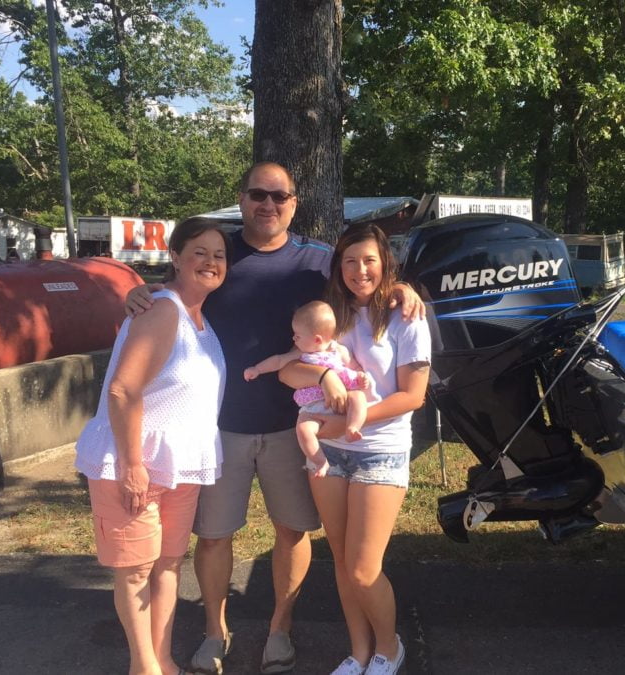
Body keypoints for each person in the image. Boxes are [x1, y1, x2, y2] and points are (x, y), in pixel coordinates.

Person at [125, 161, 423, 675]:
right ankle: (215, 631)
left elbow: (364, 280)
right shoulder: (217, 255)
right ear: (241, 198)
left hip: (296, 426)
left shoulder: (318, 262)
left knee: (292, 532)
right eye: (257, 195)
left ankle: (280, 628)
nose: (268, 204)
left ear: (294, 202)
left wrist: (404, 290)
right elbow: (174, 285)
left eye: (278, 196)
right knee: (214, 536)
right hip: (220, 426)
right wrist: (138, 290)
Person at [75, 217, 230, 675]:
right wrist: (132, 464)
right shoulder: (163, 309)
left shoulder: (199, 318)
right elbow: (123, 390)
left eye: (219, 255)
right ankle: (143, 666)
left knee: (167, 565)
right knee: (136, 570)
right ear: (176, 258)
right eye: (199, 252)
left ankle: (163, 659)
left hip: (179, 464)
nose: (210, 261)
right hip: (135, 462)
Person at [280, 224, 431, 675]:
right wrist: (323, 378)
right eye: (349, 261)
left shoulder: (406, 317)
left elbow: (413, 396)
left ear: (385, 263)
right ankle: (359, 652)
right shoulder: (329, 316)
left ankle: (389, 648)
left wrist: (346, 420)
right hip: (328, 451)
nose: (359, 270)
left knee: (365, 569)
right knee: (344, 564)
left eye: (368, 260)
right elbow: (289, 372)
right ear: (338, 267)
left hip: (380, 451)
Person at [243, 300, 371, 477]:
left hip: (342, 398)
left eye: (297, 335)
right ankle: (320, 461)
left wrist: (360, 376)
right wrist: (257, 369)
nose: (294, 339)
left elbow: (354, 367)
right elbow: (279, 360)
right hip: (313, 408)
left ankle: (353, 427)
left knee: (358, 397)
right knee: (303, 429)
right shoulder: (301, 353)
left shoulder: (338, 350)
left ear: (317, 339)